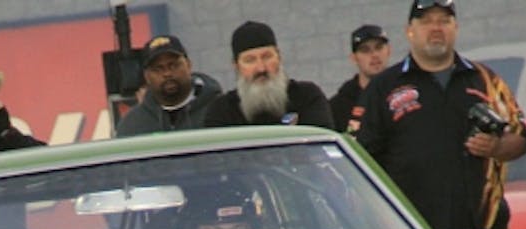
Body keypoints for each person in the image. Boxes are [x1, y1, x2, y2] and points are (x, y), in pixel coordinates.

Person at [356, 0, 526, 229]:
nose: (435, 28)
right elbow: (363, 161)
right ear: (409, 30)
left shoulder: (485, 80)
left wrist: (496, 147)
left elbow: (522, 139)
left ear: (455, 27)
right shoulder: (383, 87)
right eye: (426, 21)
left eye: (443, 21)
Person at [203, 21, 334, 129]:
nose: (261, 68)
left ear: (279, 57)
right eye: (250, 60)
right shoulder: (222, 111)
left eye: (267, 57)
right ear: (236, 66)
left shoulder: (307, 97)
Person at [116, 35, 223, 136]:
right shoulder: (132, 126)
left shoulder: (221, 110)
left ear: (189, 65)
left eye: (174, 65)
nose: (167, 73)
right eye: (158, 69)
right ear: (147, 77)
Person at [329, 24, 392, 134]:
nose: (374, 55)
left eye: (379, 47)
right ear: (354, 58)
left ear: (389, 51)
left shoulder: (405, 91)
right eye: (365, 50)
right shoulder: (339, 106)